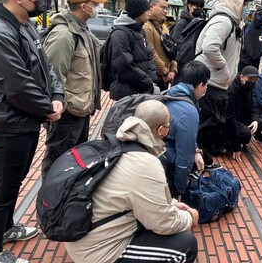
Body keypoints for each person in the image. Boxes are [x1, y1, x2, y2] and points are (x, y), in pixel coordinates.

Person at [0, 0, 65, 263]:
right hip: (6, 124)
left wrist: (57, 96)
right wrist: (47, 108)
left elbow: (45, 68)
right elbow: (16, 85)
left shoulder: (25, 24)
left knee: (15, 180)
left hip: (25, 120)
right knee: (4, 188)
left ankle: (8, 229)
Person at [64, 100, 199, 263]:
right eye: (169, 125)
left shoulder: (117, 143)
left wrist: (170, 204)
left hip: (84, 236)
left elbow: (136, 193)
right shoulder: (145, 163)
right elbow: (163, 223)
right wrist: (190, 217)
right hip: (99, 252)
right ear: (161, 130)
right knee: (185, 245)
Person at [41, 0, 108, 177]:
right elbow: (52, 77)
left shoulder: (82, 30)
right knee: (58, 164)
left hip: (79, 111)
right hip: (66, 114)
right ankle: (50, 204)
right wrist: (61, 104)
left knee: (74, 163)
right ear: (82, 6)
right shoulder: (64, 35)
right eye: (94, 3)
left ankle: (64, 203)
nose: (98, 8)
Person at [195, 0, 254, 165]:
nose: (246, 7)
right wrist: (224, 68)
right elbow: (209, 46)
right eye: (244, 3)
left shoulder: (235, 22)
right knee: (205, 125)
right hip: (210, 83)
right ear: (235, 3)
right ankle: (200, 159)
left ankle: (205, 156)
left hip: (219, 84)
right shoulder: (223, 21)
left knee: (212, 125)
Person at [160, 60, 210, 199]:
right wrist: (179, 191)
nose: (206, 89)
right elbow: (184, 160)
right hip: (163, 164)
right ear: (201, 85)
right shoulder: (189, 111)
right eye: (206, 85)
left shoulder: (170, 93)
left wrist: (196, 150)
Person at [107, 0, 156, 101]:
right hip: (126, 93)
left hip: (142, 89)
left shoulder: (140, 31)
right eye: (147, 10)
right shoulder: (120, 33)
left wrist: (152, 79)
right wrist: (147, 81)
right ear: (138, 12)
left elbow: (149, 55)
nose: (149, 13)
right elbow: (125, 65)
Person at [225, 66, 261, 161]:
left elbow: (253, 105)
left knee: (259, 122)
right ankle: (229, 141)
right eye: (250, 79)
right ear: (242, 77)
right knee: (246, 133)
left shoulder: (248, 88)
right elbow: (230, 119)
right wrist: (236, 147)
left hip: (241, 116)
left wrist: (255, 120)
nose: (252, 82)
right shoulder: (232, 91)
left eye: (255, 80)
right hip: (229, 121)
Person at [143, 0, 178, 91]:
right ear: (152, 6)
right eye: (163, 8)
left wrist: (173, 69)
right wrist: (165, 72)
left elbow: (171, 51)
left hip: (166, 78)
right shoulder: (146, 26)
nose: (165, 11)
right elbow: (151, 52)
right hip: (154, 77)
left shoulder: (165, 28)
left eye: (167, 8)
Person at [239, 6, 262, 71]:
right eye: (260, 14)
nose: (261, 16)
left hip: (255, 62)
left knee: (252, 79)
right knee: (241, 78)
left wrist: (260, 52)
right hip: (243, 60)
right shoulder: (247, 26)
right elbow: (240, 39)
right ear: (256, 14)